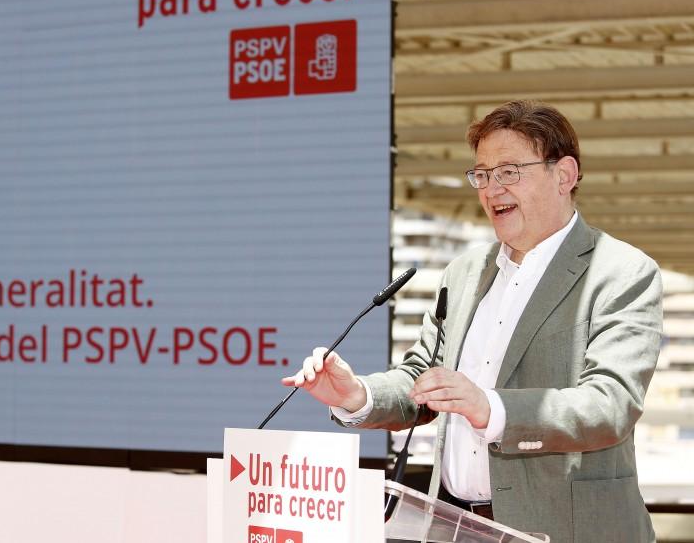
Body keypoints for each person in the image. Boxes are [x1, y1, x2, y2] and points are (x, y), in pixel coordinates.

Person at [283, 101, 662, 543]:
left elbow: (611, 405)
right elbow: (424, 379)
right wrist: (357, 395)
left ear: (564, 175)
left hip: (568, 530)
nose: (491, 189)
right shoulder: (464, 273)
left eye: (508, 172)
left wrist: (490, 408)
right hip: (454, 526)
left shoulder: (621, 272)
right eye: (482, 174)